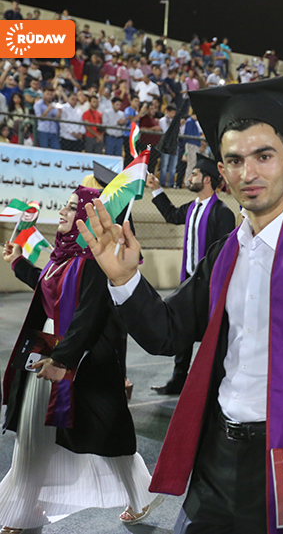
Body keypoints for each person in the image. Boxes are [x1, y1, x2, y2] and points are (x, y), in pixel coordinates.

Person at [77, 76, 283, 534]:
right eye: (234, 160)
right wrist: (125, 278)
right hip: (218, 453)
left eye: (263, 156)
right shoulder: (223, 256)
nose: (248, 173)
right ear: (223, 170)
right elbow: (167, 333)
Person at [0, 187, 162, 531]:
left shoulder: (94, 262)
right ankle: (22, 509)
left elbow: (89, 316)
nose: (63, 212)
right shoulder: (63, 257)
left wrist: (62, 360)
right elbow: (48, 290)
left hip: (80, 359)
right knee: (33, 431)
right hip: (49, 349)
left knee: (103, 436)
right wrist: (18, 262)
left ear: (88, 219)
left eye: (72, 208)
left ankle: (141, 495)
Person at [145, 154, 236, 395]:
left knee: (211, 335)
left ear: (207, 179)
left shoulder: (222, 212)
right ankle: (178, 379)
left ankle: (210, 383)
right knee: (183, 331)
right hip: (188, 283)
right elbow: (171, 215)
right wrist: (156, 189)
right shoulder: (192, 207)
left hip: (210, 285)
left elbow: (224, 254)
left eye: (194, 174)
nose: (190, 177)